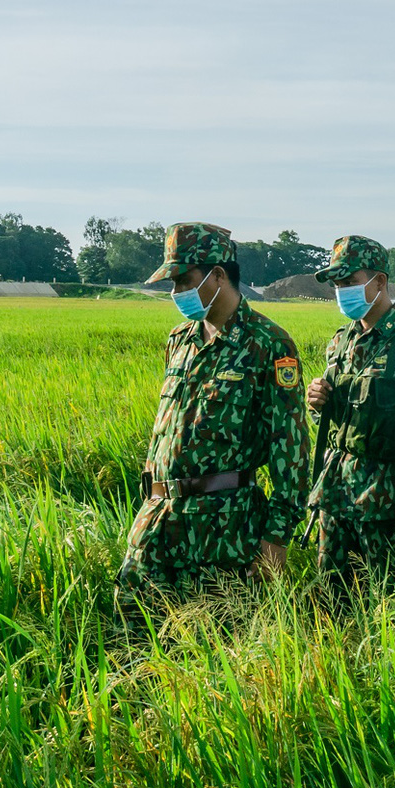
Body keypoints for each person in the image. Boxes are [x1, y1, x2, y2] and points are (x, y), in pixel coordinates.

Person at [119, 223, 308, 604]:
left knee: (217, 645)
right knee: (134, 634)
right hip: (158, 520)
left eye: (184, 281)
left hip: (222, 530)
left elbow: (290, 446)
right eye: (172, 285)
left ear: (218, 275)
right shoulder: (180, 340)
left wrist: (276, 537)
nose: (176, 293)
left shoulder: (267, 343)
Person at [306, 235, 395, 591]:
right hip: (338, 493)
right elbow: (343, 418)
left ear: (379, 282)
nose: (341, 291)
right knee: (333, 598)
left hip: (391, 496)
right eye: (337, 284)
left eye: (349, 282)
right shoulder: (342, 341)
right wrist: (318, 403)